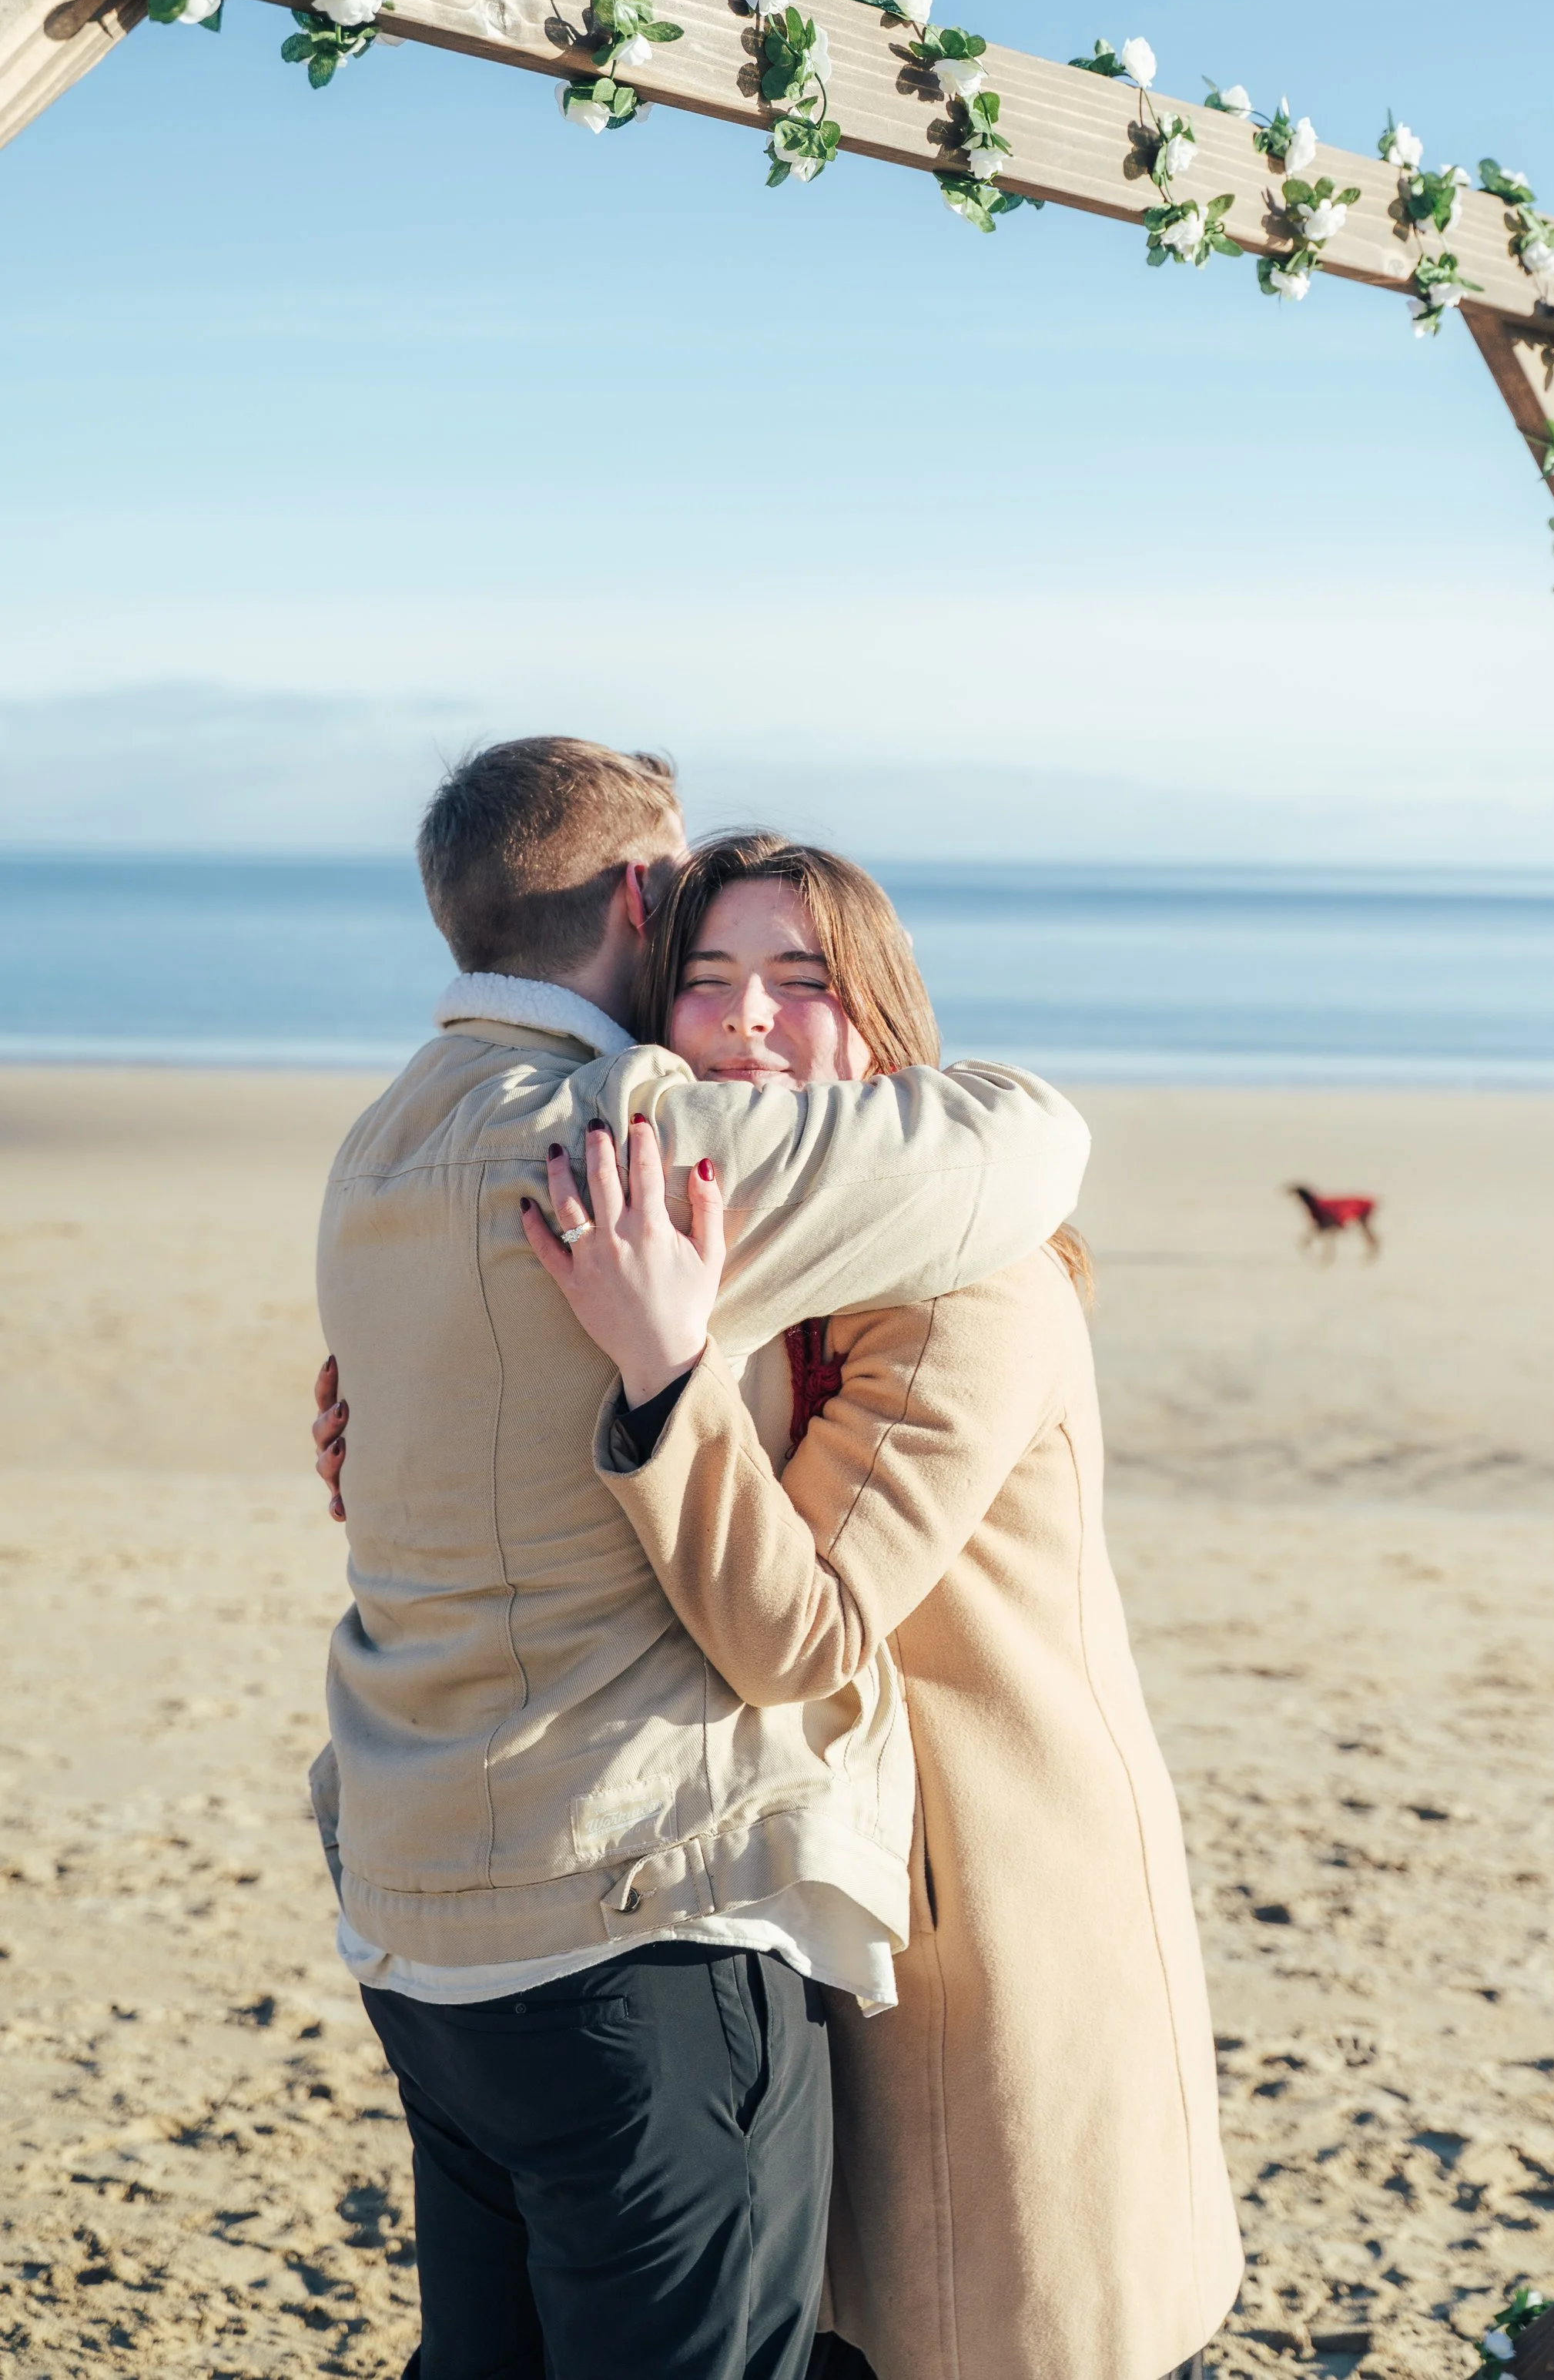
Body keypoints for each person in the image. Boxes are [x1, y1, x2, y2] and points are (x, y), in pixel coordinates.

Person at [310, 742, 1091, 2380]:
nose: (733, 1009)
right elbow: (1024, 1142)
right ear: (637, 898)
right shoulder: (636, 1140)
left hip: (416, 1910)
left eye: (793, 980)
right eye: (698, 946)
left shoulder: (378, 1142)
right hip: (628, 1913)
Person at [512, 830, 1244, 2380]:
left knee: (1003, 2324)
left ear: (881, 1022)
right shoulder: (748, 1256)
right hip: (818, 1877)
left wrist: (661, 1376)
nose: (750, 1021)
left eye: (801, 981)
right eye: (705, 982)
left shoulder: (963, 1283)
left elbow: (801, 1628)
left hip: (987, 1889)